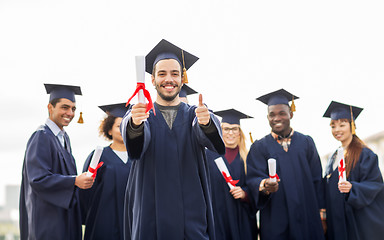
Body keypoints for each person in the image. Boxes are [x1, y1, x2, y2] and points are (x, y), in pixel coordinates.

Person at [121, 39, 225, 240]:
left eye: (175, 74)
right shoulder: (141, 114)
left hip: (191, 222)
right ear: (152, 80)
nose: (169, 79)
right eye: (162, 74)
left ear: (183, 78)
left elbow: (210, 137)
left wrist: (206, 123)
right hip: (150, 220)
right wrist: (135, 124)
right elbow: (135, 143)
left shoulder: (195, 114)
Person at [246, 89, 324, 240]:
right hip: (276, 218)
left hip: (306, 214)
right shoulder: (259, 147)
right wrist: (264, 185)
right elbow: (252, 178)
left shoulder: (306, 142)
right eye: (272, 114)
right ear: (267, 117)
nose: (276, 118)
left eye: (282, 113)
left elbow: (317, 180)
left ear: (291, 114)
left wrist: (322, 213)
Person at [19, 83, 94, 240]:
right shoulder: (41, 137)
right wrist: (74, 181)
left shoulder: (63, 138)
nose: (70, 113)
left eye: (73, 108)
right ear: (50, 107)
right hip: (48, 222)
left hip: (64, 219)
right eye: (64, 107)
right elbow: (38, 179)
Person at [322, 101, 384, 240]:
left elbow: (375, 184)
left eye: (342, 125)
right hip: (336, 219)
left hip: (356, 219)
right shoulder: (334, 156)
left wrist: (353, 188)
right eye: (333, 126)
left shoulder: (365, 154)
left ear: (352, 126)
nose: (337, 130)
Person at [79, 103, 131, 240]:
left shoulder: (139, 157)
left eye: (127, 125)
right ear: (109, 130)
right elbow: (85, 194)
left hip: (132, 222)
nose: (123, 129)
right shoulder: (98, 156)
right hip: (104, 223)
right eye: (119, 126)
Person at [206, 108, 258, 240]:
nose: (231, 133)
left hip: (242, 219)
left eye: (235, 129)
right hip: (218, 219)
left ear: (240, 133)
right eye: (226, 129)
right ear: (220, 131)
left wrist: (245, 194)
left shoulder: (249, 157)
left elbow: (256, 186)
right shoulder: (208, 156)